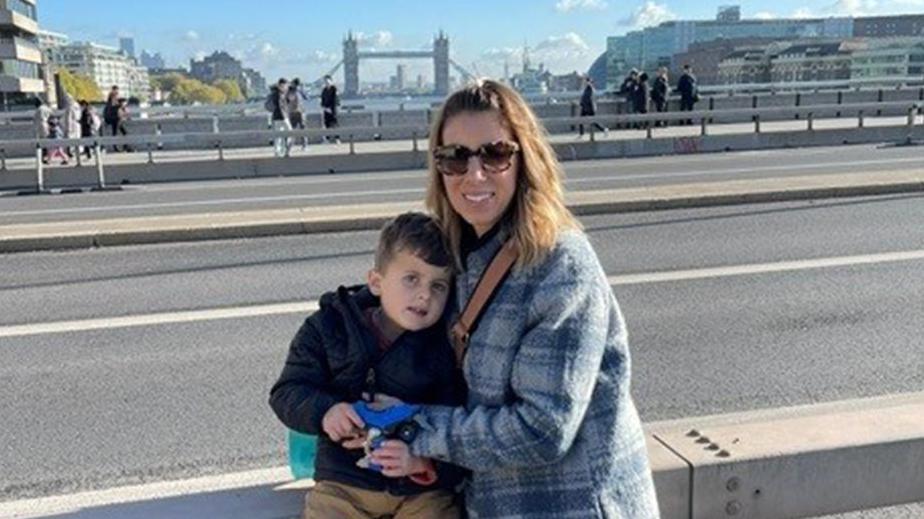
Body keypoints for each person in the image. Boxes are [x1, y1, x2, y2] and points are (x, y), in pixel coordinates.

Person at [369, 79, 660, 518]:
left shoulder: (559, 264)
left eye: (495, 153)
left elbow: (544, 429)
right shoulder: (455, 256)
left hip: (574, 505)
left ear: (526, 159)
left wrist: (412, 426)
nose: (475, 173)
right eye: (455, 158)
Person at [269, 212, 467, 519]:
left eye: (438, 285)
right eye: (411, 278)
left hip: (420, 488)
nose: (425, 294)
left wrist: (425, 463)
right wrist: (326, 411)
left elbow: (462, 418)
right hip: (344, 482)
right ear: (376, 281)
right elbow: (288, 392)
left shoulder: (446, 343)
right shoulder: (329, 327)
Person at [266, 78, 292, 157]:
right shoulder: (279, 94)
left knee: (278, 136)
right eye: (286, 85)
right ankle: (286, 151)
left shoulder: (275, 93)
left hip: (276, 118)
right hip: (282, 117)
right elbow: (281, 106)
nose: (287, 87)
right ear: (282, 85)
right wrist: (285, 117)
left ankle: (278, 152)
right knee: (290, 133)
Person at [287, 78, 310, 149]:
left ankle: (290, 145)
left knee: (293, 129)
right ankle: (304, 145)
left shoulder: (290, 91)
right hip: (299, 112)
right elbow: (307, 98)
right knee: (302, 129)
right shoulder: (298, 91)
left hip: (294, 112)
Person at [320, 75, 340, 144]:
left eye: (328, 81)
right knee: (327, 125)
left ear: (331, 81)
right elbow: (322, 100)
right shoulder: (324, 90)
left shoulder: (334, 89)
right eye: (325, 81)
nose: (326, 83)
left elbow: (335, 100)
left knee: (335, 124)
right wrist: (324, 107)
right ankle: (327, 139)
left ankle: (337, 139)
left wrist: (331, 109)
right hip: (326, 109)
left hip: (333, 109)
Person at [62, 93, 82, 159]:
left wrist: (68, 128)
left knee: (70, 140)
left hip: (72, 125)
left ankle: (70, 153)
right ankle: (77, 153)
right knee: (77, 139)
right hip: (77, 124)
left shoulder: (69, 107)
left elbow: (68, 118)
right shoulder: (77, 105)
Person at [32, 97, 52, 164]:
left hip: (40, 125)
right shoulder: (46, 108)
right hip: (45, 124)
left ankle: (44, 157)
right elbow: (51, 113)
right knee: (46, 141)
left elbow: (36, 118)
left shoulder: (39, 109)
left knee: (42, 142)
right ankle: (46, 157)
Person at [103, 85, 121, 150]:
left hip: (113, 117)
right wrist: (120, 105)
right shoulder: (113, 96)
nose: (117, 91)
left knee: (117, 131)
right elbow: (114, 106)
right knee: (116, 132)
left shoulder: (111, 96)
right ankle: (115, 146)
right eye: (116, 90)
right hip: (113, 118)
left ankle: (117, 146)